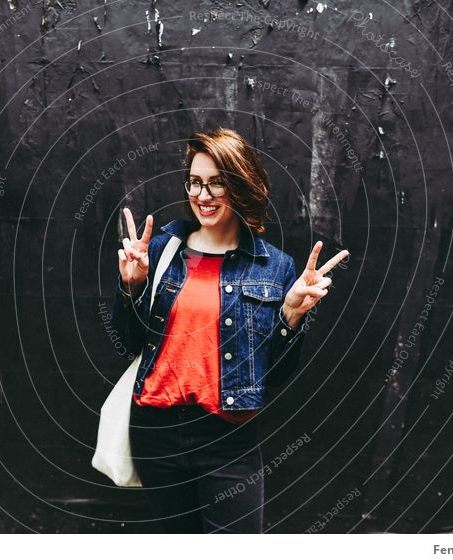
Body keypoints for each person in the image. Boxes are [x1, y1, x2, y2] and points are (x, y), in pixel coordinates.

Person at [112, 128, 349, 533]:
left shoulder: (275, 268)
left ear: (239, 184)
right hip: (156, 434)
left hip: (228, 439)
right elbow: (127, 343)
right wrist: (132, 288)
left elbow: (277, 375)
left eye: (216, 182)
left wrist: (291, 315)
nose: (203, 195)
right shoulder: (160, 251)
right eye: (195, 182)